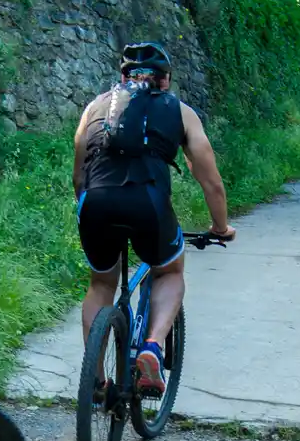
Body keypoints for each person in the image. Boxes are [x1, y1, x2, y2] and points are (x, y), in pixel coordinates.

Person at [72, 43, 236, 395]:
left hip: (95, 202)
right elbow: (211, 182)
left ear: (122, 77)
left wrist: (90, 213)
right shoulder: (181, 112)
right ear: (166, 80)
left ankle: (97, 383)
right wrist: (220, 227)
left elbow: (78, 176)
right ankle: (153, 346)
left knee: (101, 284)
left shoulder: (95, 107)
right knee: (170, 271)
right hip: (147, 202)